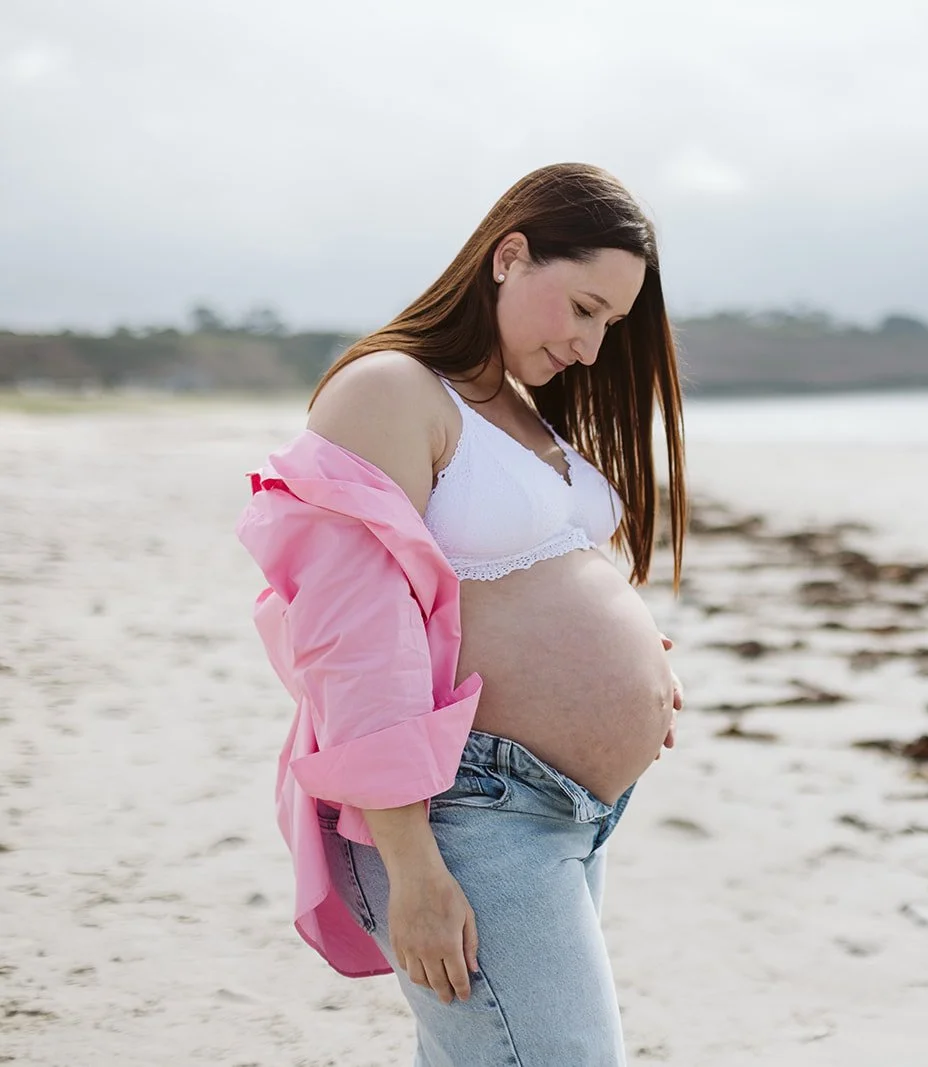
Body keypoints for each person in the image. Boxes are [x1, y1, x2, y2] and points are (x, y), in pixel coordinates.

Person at [236, 162, 687, 1065]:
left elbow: (529, 578)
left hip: (565, 810)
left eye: (611, 324)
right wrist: (411, 866)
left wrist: (639, 667)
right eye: (585, 308)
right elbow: (355, 642)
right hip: (466, 813)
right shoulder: (390, 391)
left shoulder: (517, 407)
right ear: (509, 256)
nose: (593, 348)